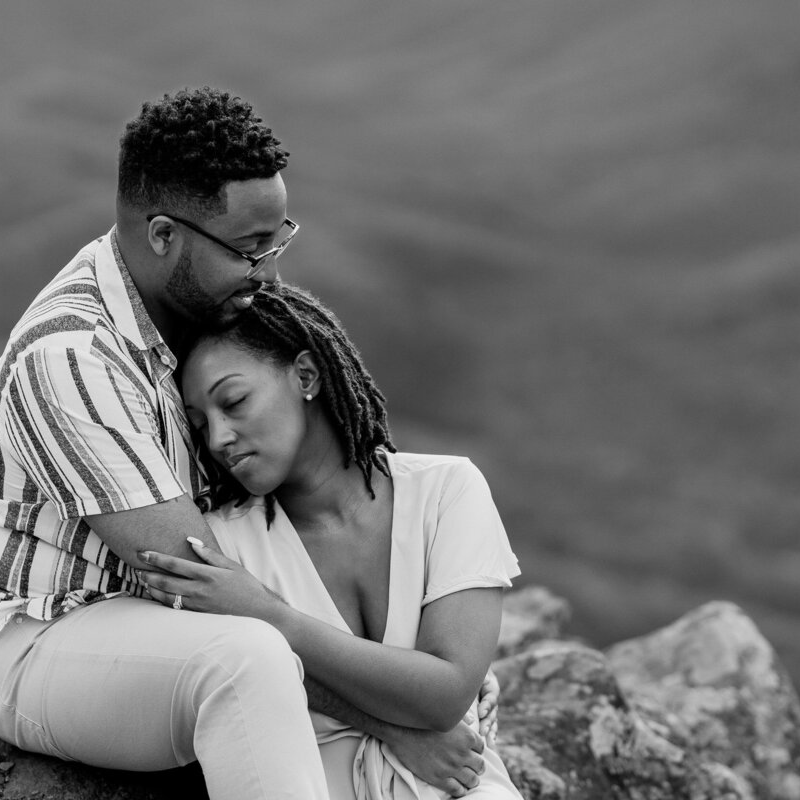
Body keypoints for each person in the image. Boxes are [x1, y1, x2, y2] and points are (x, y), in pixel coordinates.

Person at [0, 86, 497, 799]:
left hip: (155, 641)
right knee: (245, 660)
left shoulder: (193, 322)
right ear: (164, 235)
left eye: (278, 240)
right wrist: (395, 722)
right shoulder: (73, 357)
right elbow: (200, 587)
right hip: (37, 639)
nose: (269, 271)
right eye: (248, 249)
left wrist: (422, 681)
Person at [137, 282, 524, 799]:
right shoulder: (222, 547)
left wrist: (270, 615)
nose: (219, 437)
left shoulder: (446, 491)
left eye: (234, 401)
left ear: (305, 375)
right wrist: (397, 729)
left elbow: (445, 695)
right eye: (200, 424)